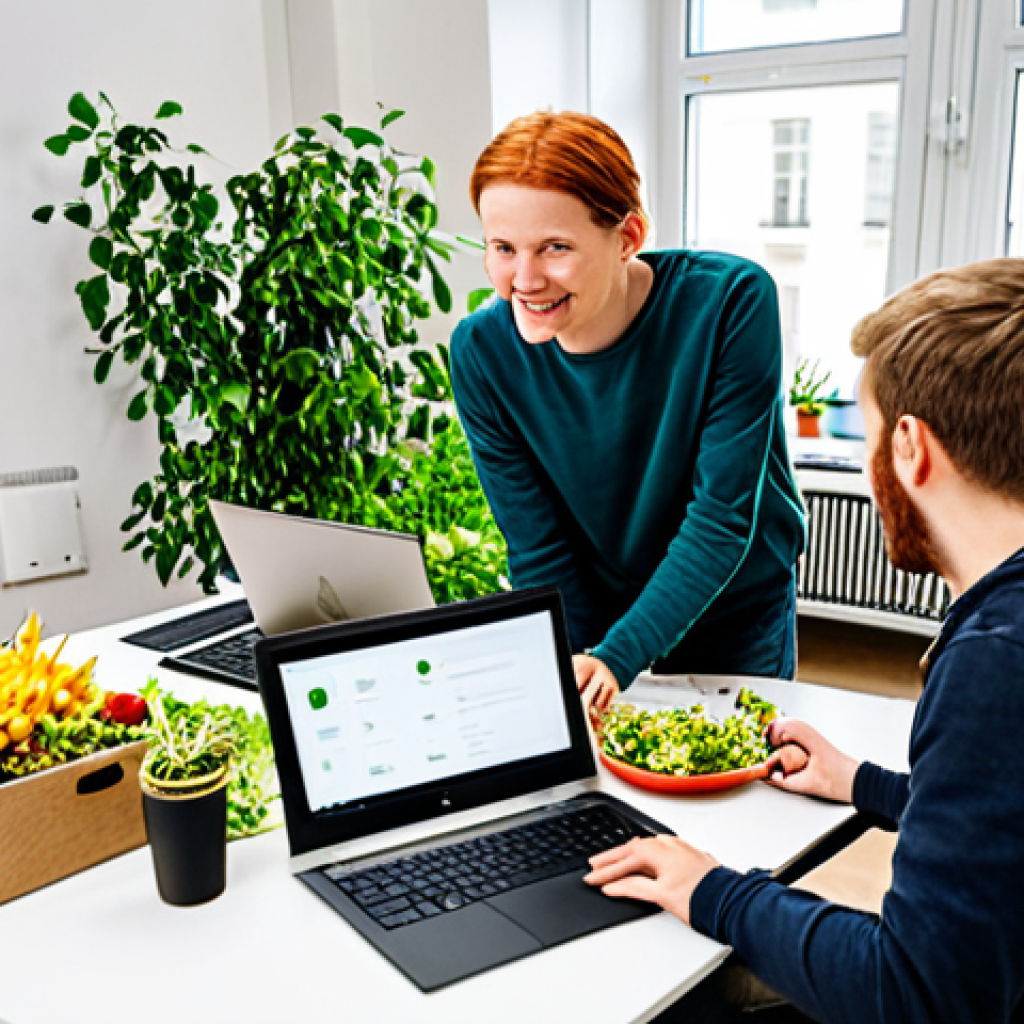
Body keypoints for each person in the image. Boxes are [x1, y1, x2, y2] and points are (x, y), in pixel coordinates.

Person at [585, 259, 1024, 1023]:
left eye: (872, 437)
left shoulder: (996, 658)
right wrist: (862, 783)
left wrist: (712, 888)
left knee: (688, 988)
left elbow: (917, 996)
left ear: (911, 448)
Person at [449, 112, 805, 710]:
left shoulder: (732, 302)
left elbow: (721, 522)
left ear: (629, 236)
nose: (524, 280)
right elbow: (537, 545)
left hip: (733, 617)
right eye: (503, 248)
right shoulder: (481, 353)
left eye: (555, 248)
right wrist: (589, 661)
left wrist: (617, 657)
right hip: (598, 616)